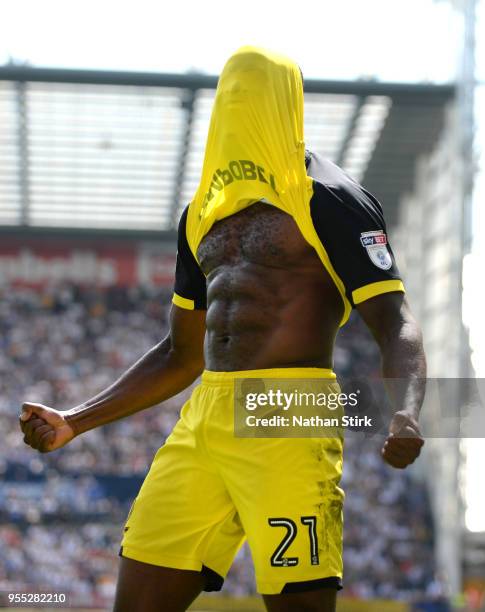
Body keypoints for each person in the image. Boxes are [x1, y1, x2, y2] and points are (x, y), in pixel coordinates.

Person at [19, 47, 426, 612]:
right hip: (205, 416)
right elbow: (179, 354)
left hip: (287, 410)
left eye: (249, 97)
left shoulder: (331, 199)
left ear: (286, 104)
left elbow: (394, 318)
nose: (236, 109)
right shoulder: (202, 212)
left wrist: (407, 409)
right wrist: (75, 420)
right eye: (228, 97)